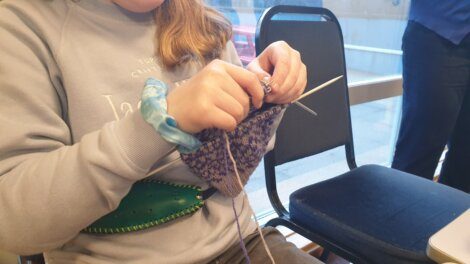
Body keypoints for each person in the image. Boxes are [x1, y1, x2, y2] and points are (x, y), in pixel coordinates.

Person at [0, 0, 316, 263]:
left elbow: (235, 166)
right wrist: (157, 125)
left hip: (241, 243)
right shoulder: (21, 24)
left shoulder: (203, 21)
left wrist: (263, 93)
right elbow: (15, 224)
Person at [392, 0, 470, 193]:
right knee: (418, 155)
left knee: (466, 160)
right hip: (440, 29)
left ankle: (451, 220)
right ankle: (398, 222)